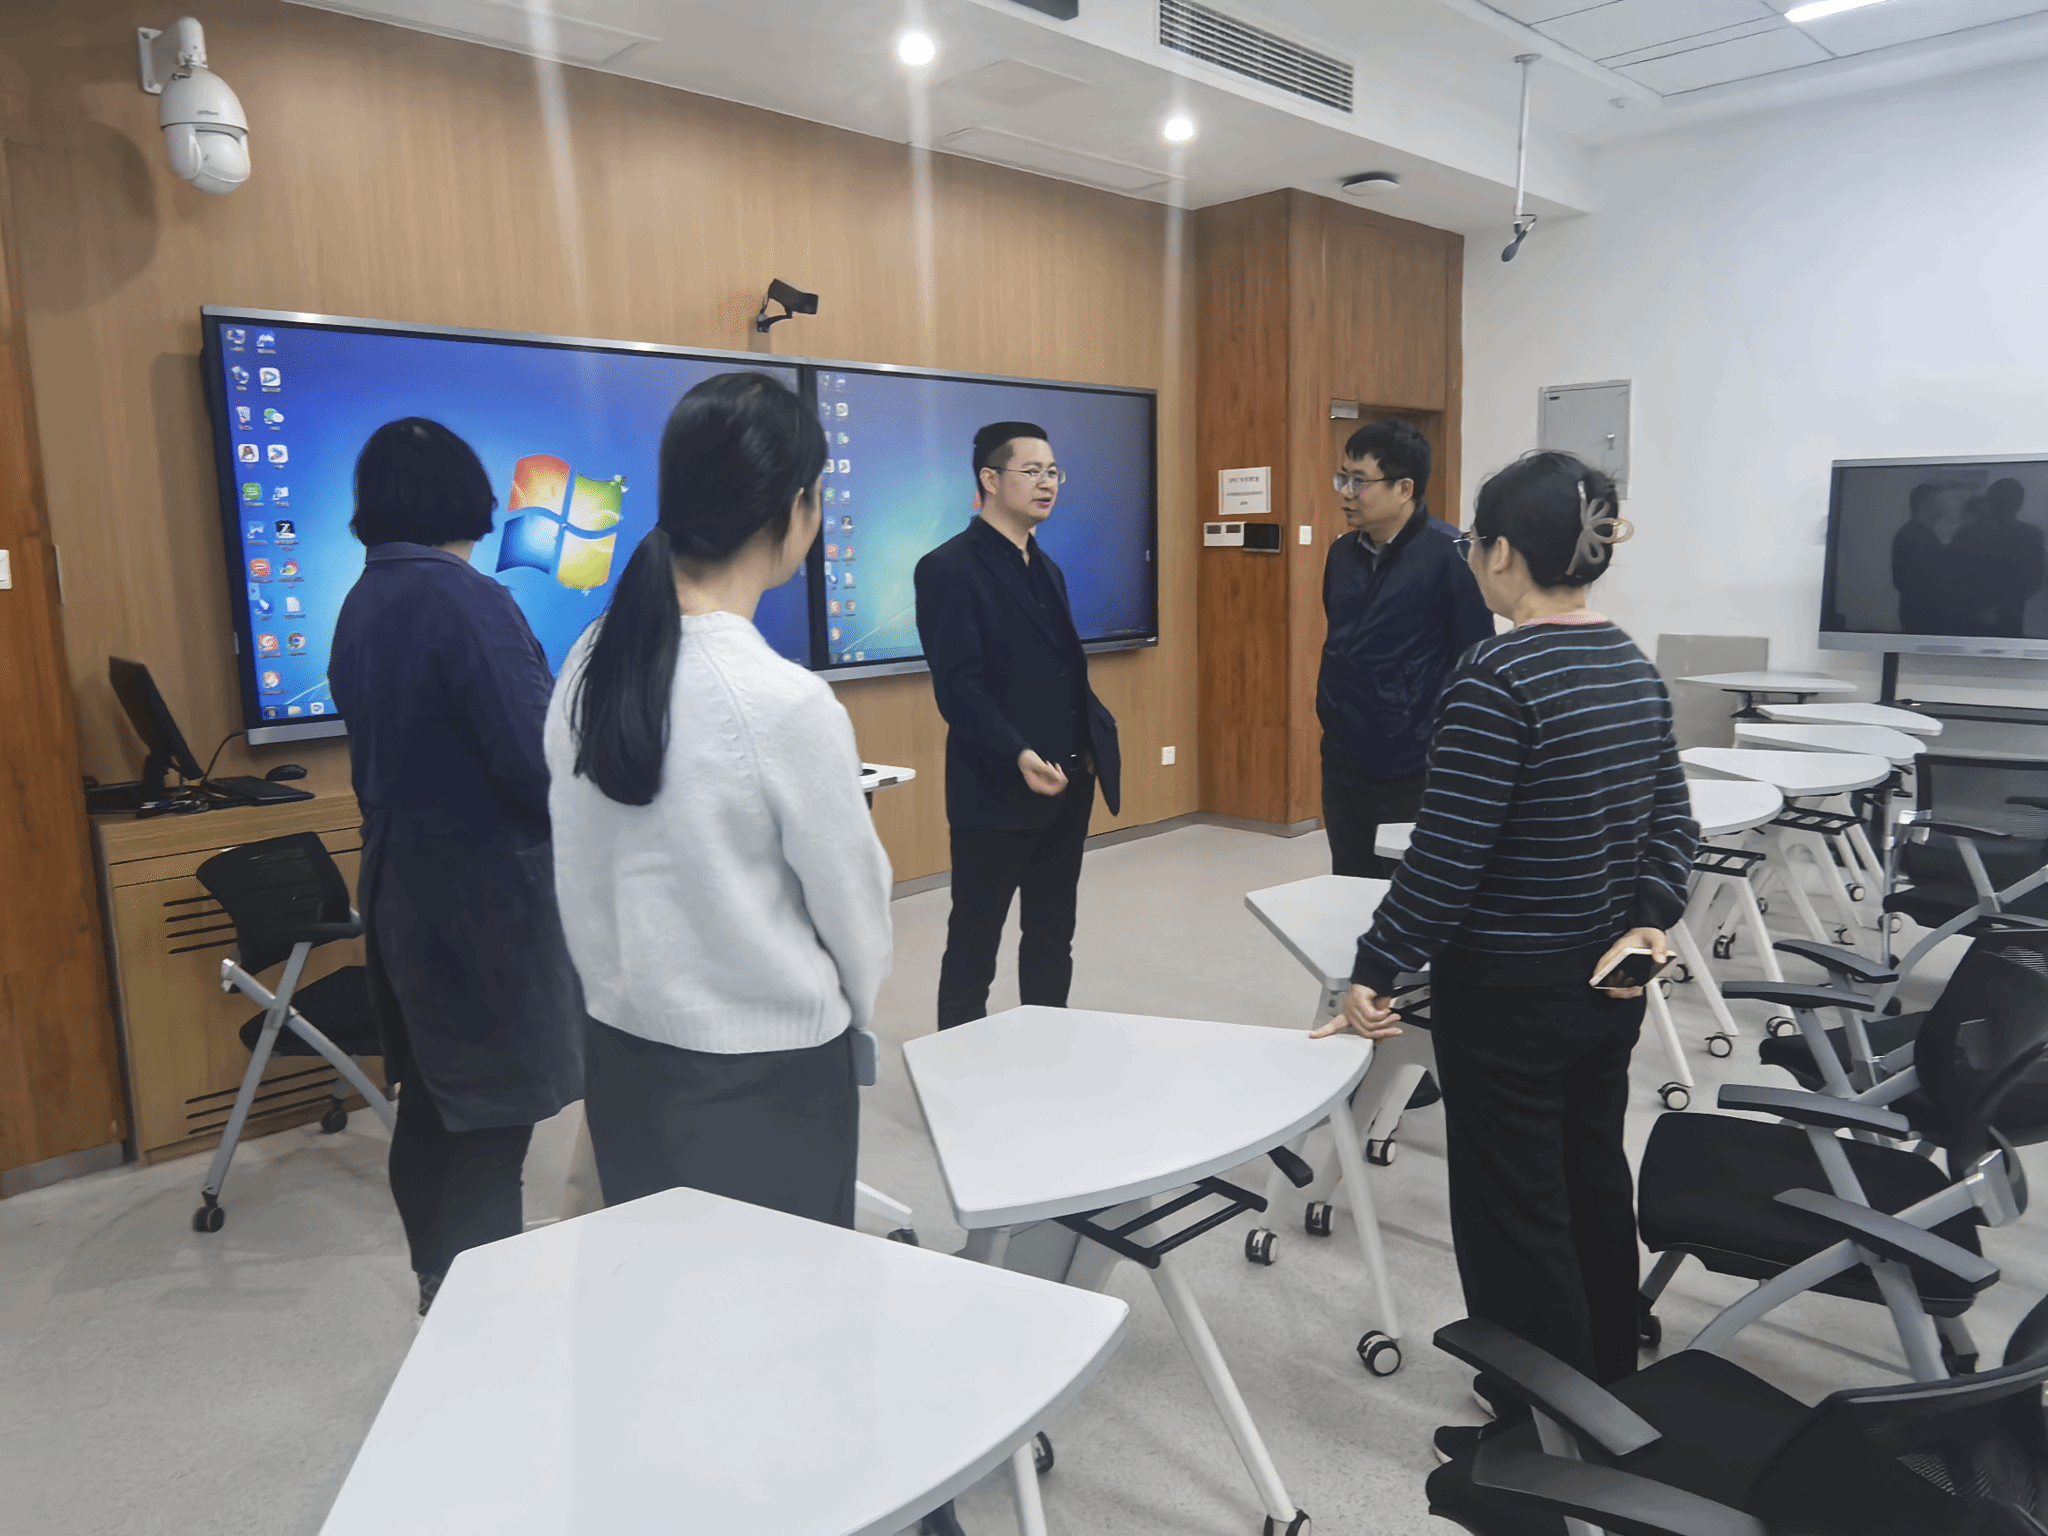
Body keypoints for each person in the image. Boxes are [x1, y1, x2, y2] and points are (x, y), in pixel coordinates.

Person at [1313, 450, 1699, 1458]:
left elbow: (1445, 863)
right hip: (1609, 985)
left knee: (1511, 1206)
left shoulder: (1495, 677)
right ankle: (1606, 1378)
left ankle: (1538, 1421)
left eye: (1475, 544)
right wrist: (1649, 916)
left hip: (1507, 994)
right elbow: (1674, 827)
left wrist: (1374, 967)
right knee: (1588, 1176)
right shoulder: (1629, 664)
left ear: (1498, 554)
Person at [545, 372, 892, 1226]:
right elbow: (853, 907)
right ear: (797, 506)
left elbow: (579, 862)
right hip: (766, 1073)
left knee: (660, 1282)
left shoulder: (588, 661)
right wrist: (853, 1009)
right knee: (779, 1294)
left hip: (624, 1051)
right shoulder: (783, 701)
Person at [329, 418, 586, 1317]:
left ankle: (439, 1285)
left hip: (402, 891)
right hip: (482, 900)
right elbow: (535, 763)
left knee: (435, 1104)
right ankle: (486, 1322)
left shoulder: (365, 599)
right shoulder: (468, 600)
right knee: (490, 1122)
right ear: (467, 496)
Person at [914, 421, 1123, 1030]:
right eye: (1031, 471)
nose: (1046, 482)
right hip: (996, 788)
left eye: (1053, 472)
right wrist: (1018, 753)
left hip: (1068, 782)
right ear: (989, 478)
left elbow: (1060, 671)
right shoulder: (948, 568)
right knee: (974, 942)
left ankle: (1046, 1045)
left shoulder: (1046, 567)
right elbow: (960, 686)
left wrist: (1089, 743)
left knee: (1053, 935)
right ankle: (957, 1064)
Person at [1318, 418, 1493, 878]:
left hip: (1412, 768)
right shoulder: (1341, 555)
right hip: (1342, 760)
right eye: (1343, 478)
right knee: (1348, 886)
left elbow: (1475, 660)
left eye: (1359, 481)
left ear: (1404, 488)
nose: (1346, 493)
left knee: (1406, 892)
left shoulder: (1452, 555)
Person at [1954, 478, 2043, 637]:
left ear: (1990, 501)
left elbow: (1955, 578)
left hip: (1974, 618)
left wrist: (1982, 608)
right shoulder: (2033, 536)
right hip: (2007, 617)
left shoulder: (1966, 534)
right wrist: (2002, 608)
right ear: (2019, 504)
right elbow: (2033, 580)